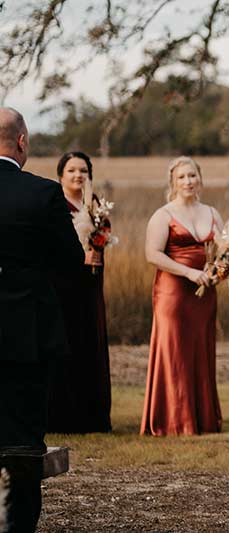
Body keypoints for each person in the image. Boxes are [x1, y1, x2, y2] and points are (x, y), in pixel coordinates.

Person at [0, 107, 84, 531]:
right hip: (25, 336)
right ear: (22, 142)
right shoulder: (42, 194)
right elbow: (71, 261)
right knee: (23, 443)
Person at [140, 156, 223, 436]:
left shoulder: (212, 212)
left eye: (192, 176)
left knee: (201, 350)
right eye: (182, 177)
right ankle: (174, 420)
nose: (188, 181)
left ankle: (202, 419)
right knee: (174, 351)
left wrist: (218, 270)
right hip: (173, 294)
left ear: (200, 178)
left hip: (205, 294)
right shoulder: (163, 215)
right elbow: (153, 254)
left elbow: (222, 253)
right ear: (173, 182)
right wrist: (188, 273)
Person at [47, 151, 112, 434]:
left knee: (92, 341)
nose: (78, 175)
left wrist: (97, 245)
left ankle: (93, 415)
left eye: (83, 170)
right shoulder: (54, 203)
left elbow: (103, 234)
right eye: (72, 170)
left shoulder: (94, 203)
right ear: (61, 174)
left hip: (92, 283)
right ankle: (65, 415)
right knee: (69, 341)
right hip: (65, 284)